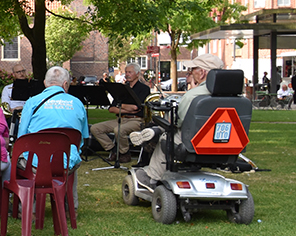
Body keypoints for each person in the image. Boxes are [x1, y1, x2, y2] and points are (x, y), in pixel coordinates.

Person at [138, 54, 225, 186]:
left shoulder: (194, 95)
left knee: (166, 136)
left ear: (202, 73)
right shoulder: (235, 95)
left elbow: (177, 121)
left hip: (196, 142)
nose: (190, 73)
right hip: (225, 141)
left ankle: (152, 177)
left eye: (192, 70)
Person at [16, 66, 90, 207]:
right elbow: (82, 137)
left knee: (19, 159)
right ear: (65, 84)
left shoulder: (32, 102)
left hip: (35, 163)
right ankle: (70, 207)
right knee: (71, 155)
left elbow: (22, 137)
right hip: (65, 164)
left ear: (45, 83)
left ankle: (27, 208)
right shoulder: (78, 103)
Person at [89, 63, 151, 164]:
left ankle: (124, 153)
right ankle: (113, 150)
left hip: (136, 120)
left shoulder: (144, 89)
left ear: (137, 74)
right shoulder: (122, 88)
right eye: (126, 72)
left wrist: (121, 106)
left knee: (119, 130)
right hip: (121, 118)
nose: (127, 74)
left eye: (130, 72)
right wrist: (126, 108)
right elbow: (112, 109)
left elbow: (137, 107)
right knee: (95, 128)